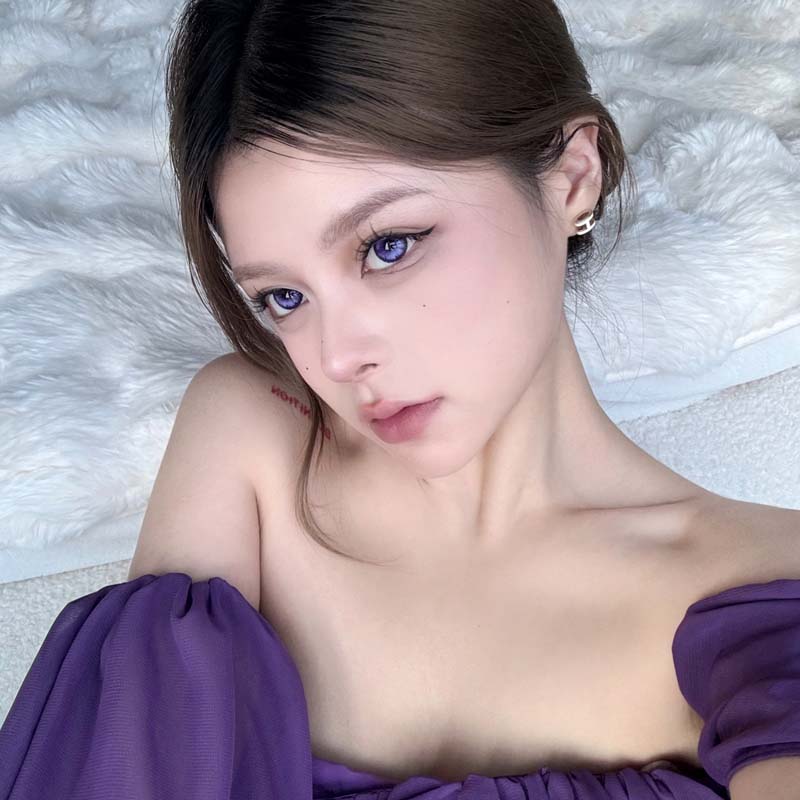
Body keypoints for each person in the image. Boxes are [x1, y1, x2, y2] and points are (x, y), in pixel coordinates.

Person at [2, 1, 800, 798]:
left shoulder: (756, 589)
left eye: (387, 247)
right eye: (284, 298)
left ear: (572, 176)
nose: (337, 357)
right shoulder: (259, 442)